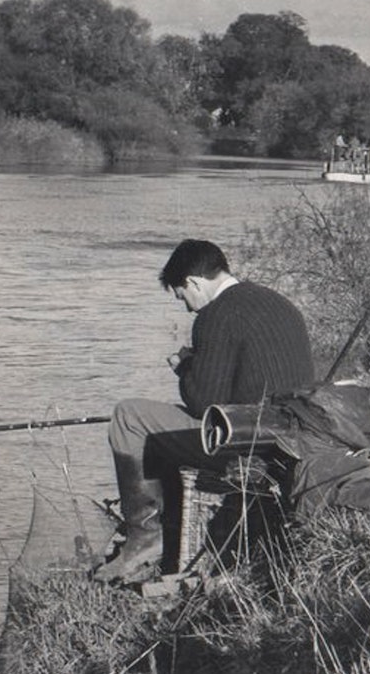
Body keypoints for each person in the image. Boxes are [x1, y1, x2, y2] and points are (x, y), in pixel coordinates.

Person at [92, 239, 316, 584]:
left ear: (194, 282)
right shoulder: (278, 302)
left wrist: (184, 367)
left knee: (129, 417)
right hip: (292, 436)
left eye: (182, 296)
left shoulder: (215, 315)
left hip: (246, 445)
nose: (187, 308)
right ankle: (166, 526)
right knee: (159, 422)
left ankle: (145, 537)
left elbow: (203, 404)